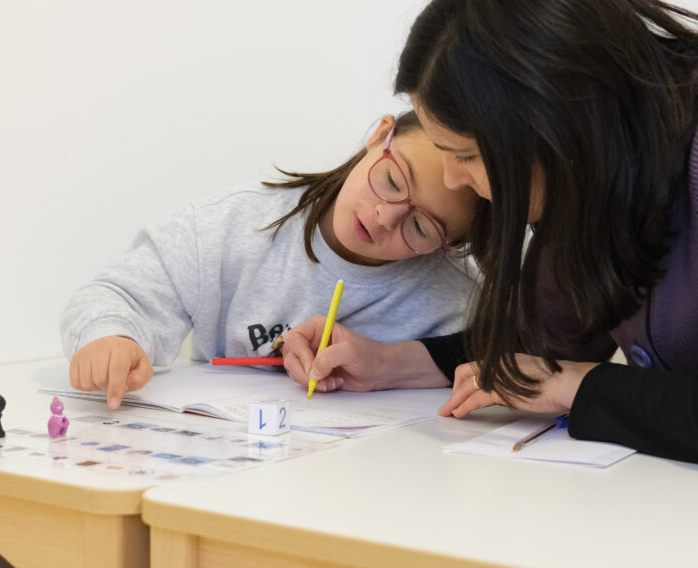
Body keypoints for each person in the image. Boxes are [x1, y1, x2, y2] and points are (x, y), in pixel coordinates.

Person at [282, 0, 698, 478]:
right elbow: (536, 345)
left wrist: (579, 389)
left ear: (555, 123)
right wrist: (389, 363)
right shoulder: (599, 170)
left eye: (465, 156)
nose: (453, 181)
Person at [61, 111, 480, 409]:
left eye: (420, 227)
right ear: (379, 135)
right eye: (391, 180)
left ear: (450, 245)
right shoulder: (232, 226)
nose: (384, 216)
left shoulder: (455, 294)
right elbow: (115, 294)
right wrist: (111, 338)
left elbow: (505, 356)